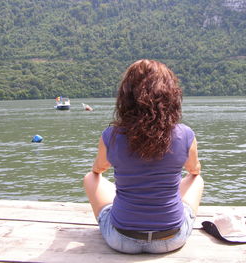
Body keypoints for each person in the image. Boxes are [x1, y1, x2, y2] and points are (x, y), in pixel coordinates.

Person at [83, 59, 204, 254]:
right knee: (197, 180)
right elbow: (194, 170)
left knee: (90, 177)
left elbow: (98, 169)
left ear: (126, 96)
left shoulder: (111, 135)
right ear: (170, 95)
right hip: (171, 238)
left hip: (122, 239)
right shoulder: (185, 134)